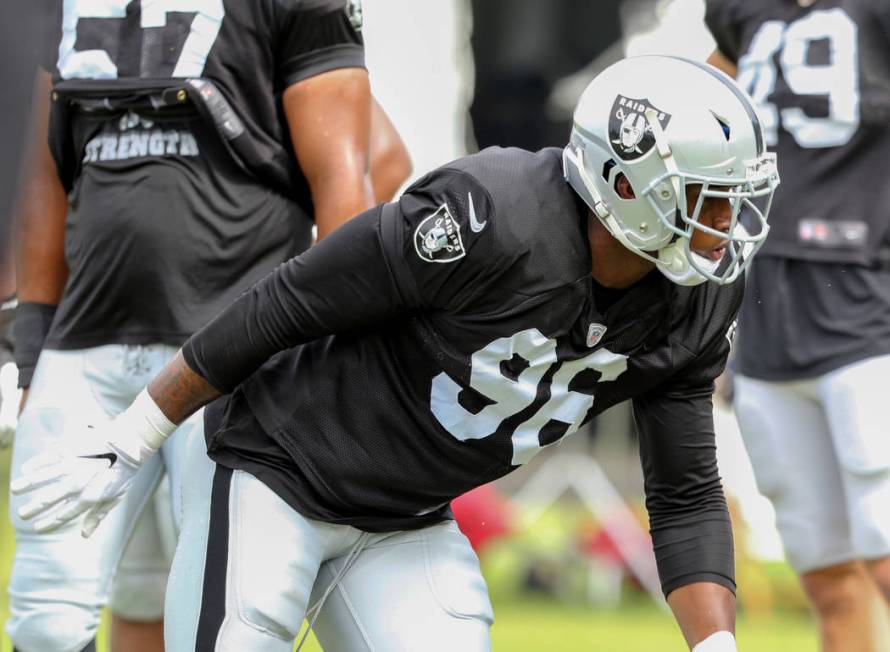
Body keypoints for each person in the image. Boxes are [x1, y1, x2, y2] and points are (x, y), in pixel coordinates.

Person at [12, 55, 779, 652]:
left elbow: (684, 494)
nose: (728, 225)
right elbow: (288, 301)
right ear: (625, 181)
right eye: (710, 200)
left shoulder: (696, 296)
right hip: (275, 470)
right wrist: (136, 434)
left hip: (406, 519)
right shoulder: (493, 216)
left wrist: (715, 643)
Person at [7, 1, 411, 651]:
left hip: (231, 357)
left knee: (223, 620)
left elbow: (357, 173)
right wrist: (30, 353)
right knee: (46, 621)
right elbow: (43, 177)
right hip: (87, 346)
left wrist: (334, 360)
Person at [705, 2, 890, 650]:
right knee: (830, 578)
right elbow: (704, 110)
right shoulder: (741, 12)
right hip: (766, 318)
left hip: (870, 308)